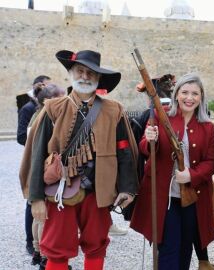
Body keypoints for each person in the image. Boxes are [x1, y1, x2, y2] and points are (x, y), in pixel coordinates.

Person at [19, 49, 138, 270]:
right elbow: (37, 155)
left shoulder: (114, 111)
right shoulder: (52, 109)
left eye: (91, 73)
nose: (85, 76)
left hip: (98, 193)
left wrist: (127, 188)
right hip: (60, 193)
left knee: (96, 245)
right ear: (71, 73)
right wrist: (35, 198)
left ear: (98, 77)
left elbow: (124, 151)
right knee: (57, 248)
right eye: (80, 71)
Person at [130, 73, 214, 270]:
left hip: (192, 197)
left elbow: (211, 162)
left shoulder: (208, 127)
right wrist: (149, 138)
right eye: (185, 92)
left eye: (195, 93)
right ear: (177, 94)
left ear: (201, 97)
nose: (189, 97)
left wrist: (191, 175)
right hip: (164, 197)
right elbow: (144, 148)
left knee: (186, 248)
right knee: (169, 247)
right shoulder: (161, 116)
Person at [25, 84, 66, 269]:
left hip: (38, 169)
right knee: (43, 217)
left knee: (39, 218)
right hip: (42, 170)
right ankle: (43, 256)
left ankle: (37, 251)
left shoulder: (38, 114)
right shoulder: (45, 117)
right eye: (61, 96)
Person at [17, 75, 51, 256]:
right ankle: (31, 244)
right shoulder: (28, 108)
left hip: (44, 161)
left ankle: (41, 247)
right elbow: (21, 135)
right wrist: (36, 145)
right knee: (32, 202)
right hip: (33, 159)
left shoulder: (46, 110)